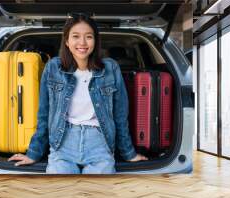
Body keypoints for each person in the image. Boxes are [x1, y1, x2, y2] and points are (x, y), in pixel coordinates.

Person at [8, 13, 147, 174]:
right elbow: (44, 114)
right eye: (75, 36)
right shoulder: (53, 67)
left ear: (95, 41)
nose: (82, 42)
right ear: (66, 41)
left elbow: (120, 115)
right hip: (63, 145)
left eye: (88, 37)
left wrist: (128, 153)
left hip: (100, 145)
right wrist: (33, 153)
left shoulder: (111, 68)